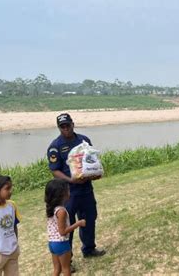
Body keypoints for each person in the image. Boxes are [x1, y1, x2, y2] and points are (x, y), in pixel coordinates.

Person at [47, 113, 105, 267]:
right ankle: (68, 261)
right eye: (62, 126)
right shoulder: (55, 146)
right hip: (68, 193)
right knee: (67, 226)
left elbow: (92, 161)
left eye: (68, 125)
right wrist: (70, 180)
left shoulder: (84, 140)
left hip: (86, 189)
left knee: (89, 219)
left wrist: (94, 174)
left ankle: (89, 249)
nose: (66, 128)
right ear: (59, 128)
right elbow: (55, 170)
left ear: (73, 124)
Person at [45, 178, 86, 276]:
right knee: (66, 269)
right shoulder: (61, 211)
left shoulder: (51, 208)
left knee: (57, 270)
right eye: (68, 190)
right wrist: (78, 224)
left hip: (52, 243)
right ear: (61, 194)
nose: (69, 192)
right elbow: (62, 232)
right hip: (61, 243)